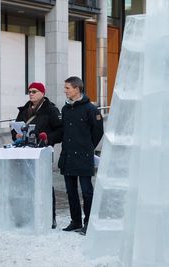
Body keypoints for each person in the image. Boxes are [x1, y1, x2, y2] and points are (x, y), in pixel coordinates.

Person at [11, 82, 63, 229]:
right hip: (24, 151)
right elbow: (15, 128)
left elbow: (60, 131)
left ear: (42, 93)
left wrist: (47, 138)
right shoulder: (24, 110)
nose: (31, 94)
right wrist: (17, 135)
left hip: (42, 152)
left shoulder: (51, 110)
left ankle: (50, 217)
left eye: (34, 91)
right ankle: (28, 215)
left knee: (44, 184)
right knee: (26, 185)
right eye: (29, 91)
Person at [58, 76, 104, 235]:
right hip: (68, 155)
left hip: (84, 156)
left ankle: (88, 223)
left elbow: (98, 132)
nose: (65, 91)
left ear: (77, 89)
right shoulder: (65, 109)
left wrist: (87, 146)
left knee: (86, 191)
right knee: (70, 191)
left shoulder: (91, 109)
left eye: (67, 88)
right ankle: (75, 221)